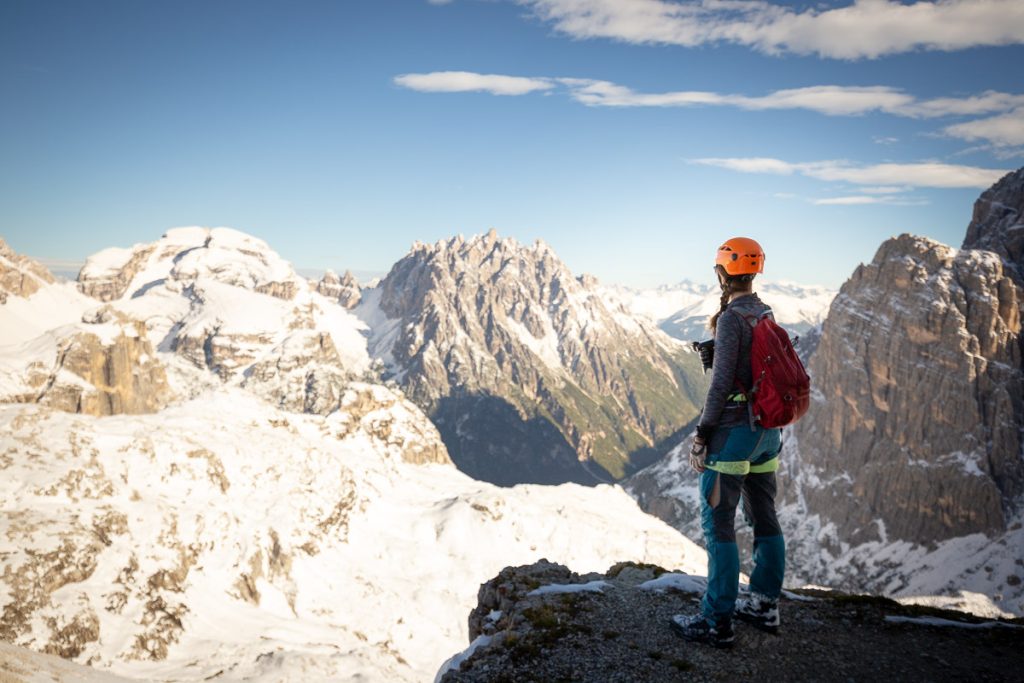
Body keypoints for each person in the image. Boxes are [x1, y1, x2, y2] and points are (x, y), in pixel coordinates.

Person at [670, 236, 786, 649]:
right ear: (756, 271)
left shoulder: (732, 319)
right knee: (764, 516)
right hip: (767, 435)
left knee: (719, 524)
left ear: (722, 272)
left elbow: (721, 385)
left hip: (734, 436)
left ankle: (717, 619)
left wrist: (702, 434)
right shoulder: (765, 313)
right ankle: (765, 604)